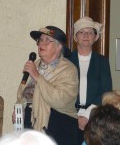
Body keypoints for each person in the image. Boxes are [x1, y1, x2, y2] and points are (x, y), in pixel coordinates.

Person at [12, 26, 79, 145]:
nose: (41, 43)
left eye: (47, 40)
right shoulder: (34, 65)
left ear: (59, 47)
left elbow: (60, 100)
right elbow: (22, 94)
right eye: (40, 40)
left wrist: (37, 77)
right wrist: (19, 109)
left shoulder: (68, 70)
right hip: (31, 127)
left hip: (59, 129)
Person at [69, 16, 112, 144]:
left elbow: (106, 92)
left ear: (95, 37)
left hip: (94, 118)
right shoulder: (66, 60)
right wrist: (76, 117)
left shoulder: (102, 62)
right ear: (76, 37)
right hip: (69, 116)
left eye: (90, 32)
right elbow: (62, 91)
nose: (86, 35)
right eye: (82, 32)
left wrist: (87, 115)